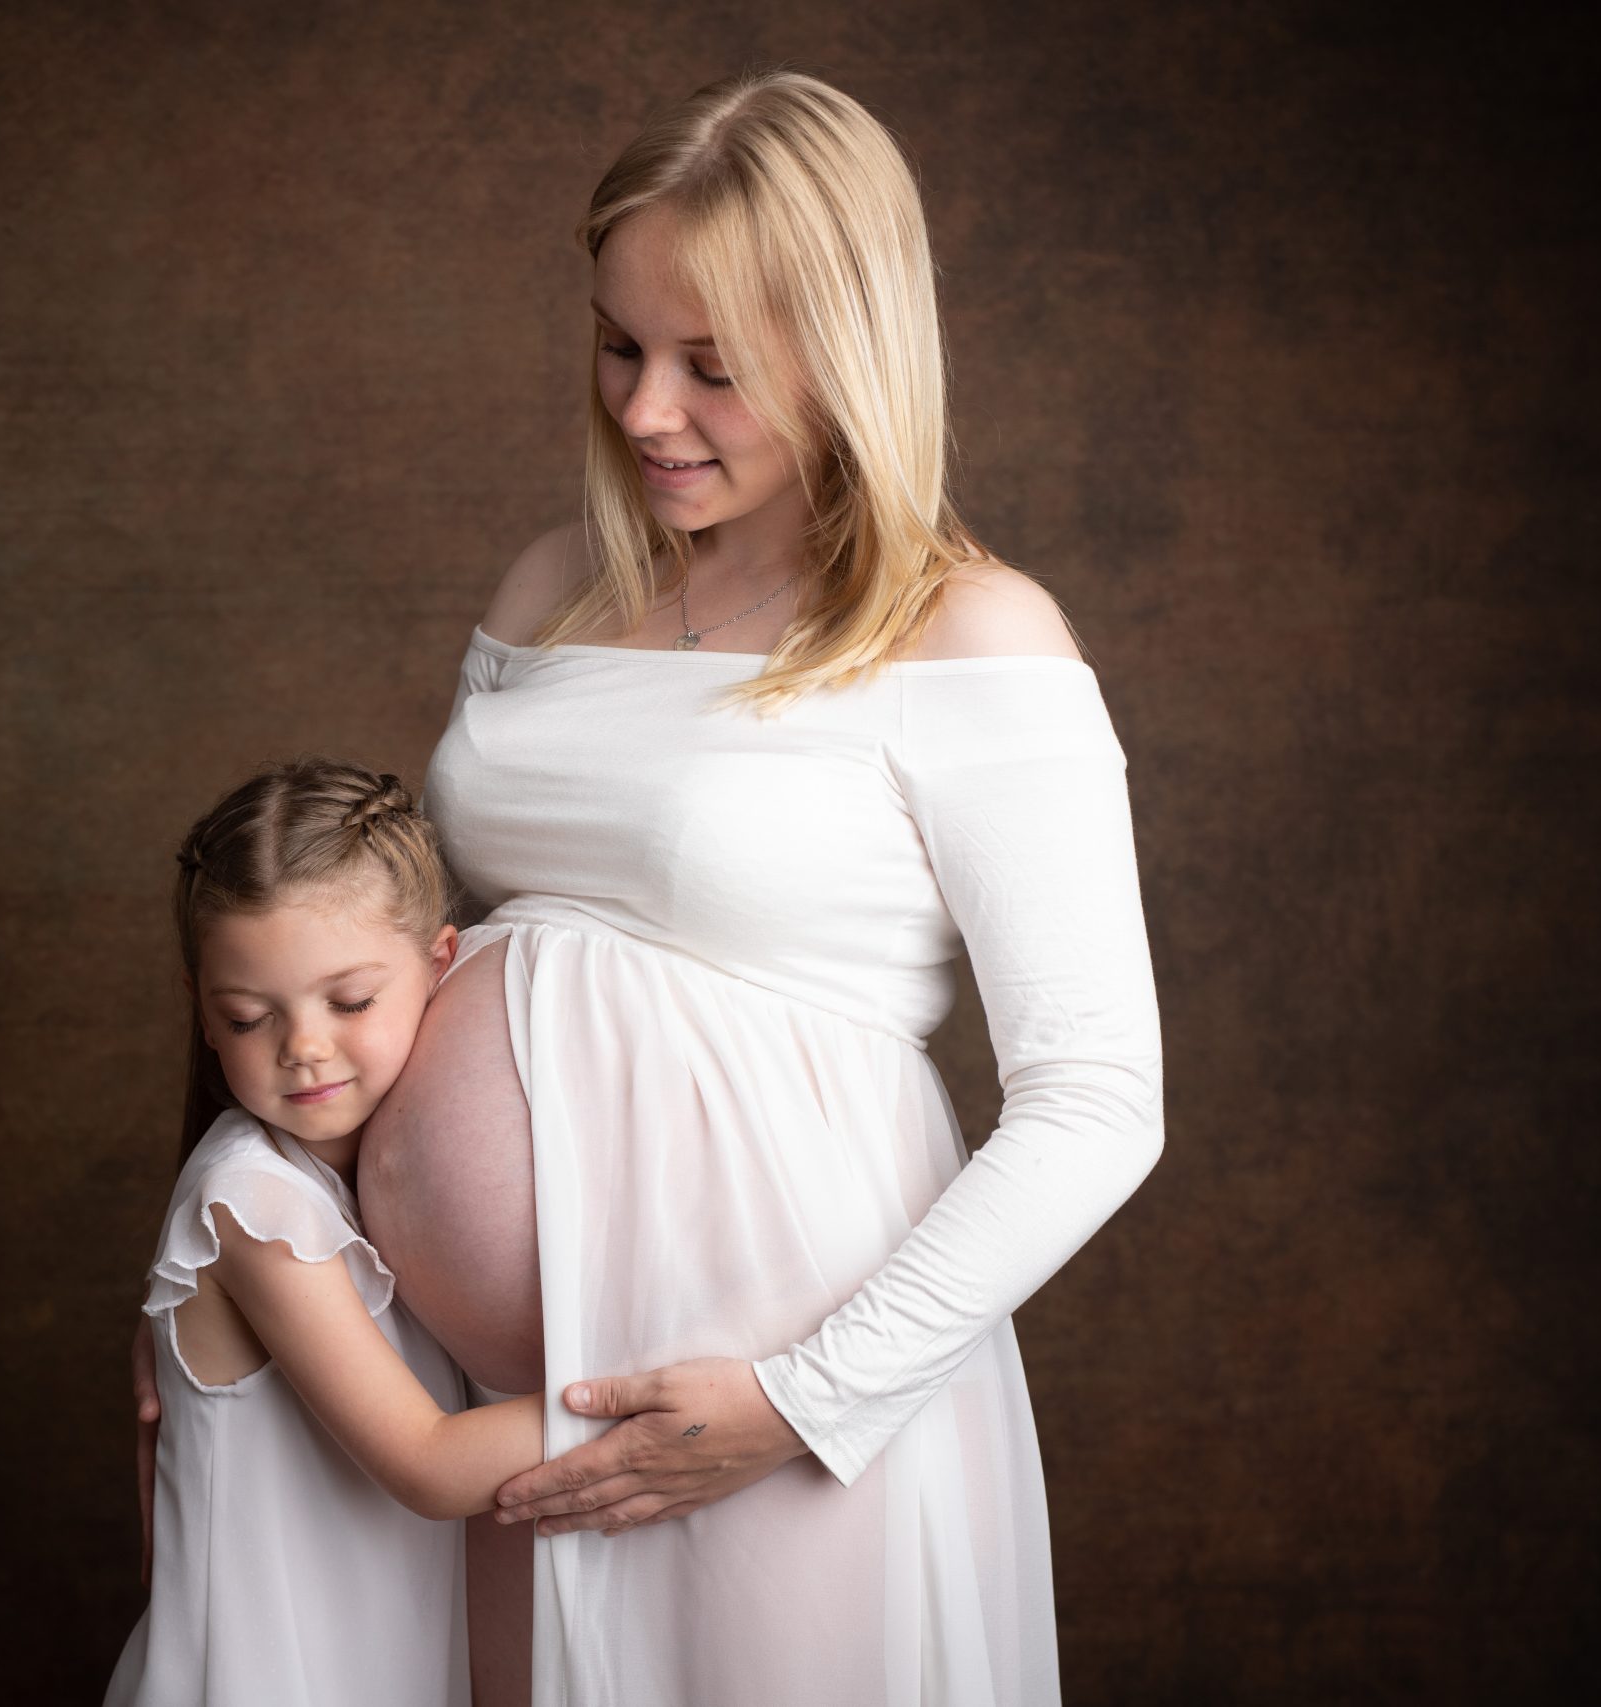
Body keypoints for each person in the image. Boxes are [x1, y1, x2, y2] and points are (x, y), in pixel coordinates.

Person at [141, 67, 1168, 1705]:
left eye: (714, 369)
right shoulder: (555, 585)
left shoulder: (970, 636)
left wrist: (805, 1397)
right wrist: (252, 1274)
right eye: (619, 344)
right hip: (505, 1397)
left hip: (769, 1391)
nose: (642, 411)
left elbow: (1099, 1098)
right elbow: (386, 963)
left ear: (852, 352)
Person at [104, 759, 544, 1707]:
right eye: (248, 1017)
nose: (302, 1046)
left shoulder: (370, 1187)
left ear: (439, 965)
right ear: (205, 1013)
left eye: (349, 1002)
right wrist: (661, 1387)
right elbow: (426, 1461)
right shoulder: (254, 1208)